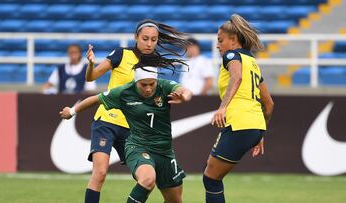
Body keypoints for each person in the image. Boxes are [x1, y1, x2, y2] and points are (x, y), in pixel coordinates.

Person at [60, 54, 193, 203]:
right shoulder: (124, 92)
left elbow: (185, 90)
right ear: (136, 82)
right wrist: (71, 112)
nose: (149, 89)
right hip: (138, 147)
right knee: (148, 179)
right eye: (144, 85)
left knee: (175, 200)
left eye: (152, 84)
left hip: (165, 152)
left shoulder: (164, 86)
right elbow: (95, 99)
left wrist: (184, 97)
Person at [82, 19, 189, 203]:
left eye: (154, 40)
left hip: (134, 129)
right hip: (107, 120)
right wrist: (91, 64)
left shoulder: (154, 61)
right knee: (100, 173)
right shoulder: (121, 54)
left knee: (146, 179)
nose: (149, 44)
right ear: (136, 37)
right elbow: (91, 77)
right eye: (145, 38)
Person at [202, 14, 274, 203]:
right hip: (254, 125)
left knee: (211, 178)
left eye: (220, 40)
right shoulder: (253, 63)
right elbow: (269, 104)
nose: (218, 45)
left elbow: (237, 77)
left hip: (239, 123)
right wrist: (259, 133)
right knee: (212, 176)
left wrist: (222, 107)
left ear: (233, 40)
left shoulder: (231, 55)